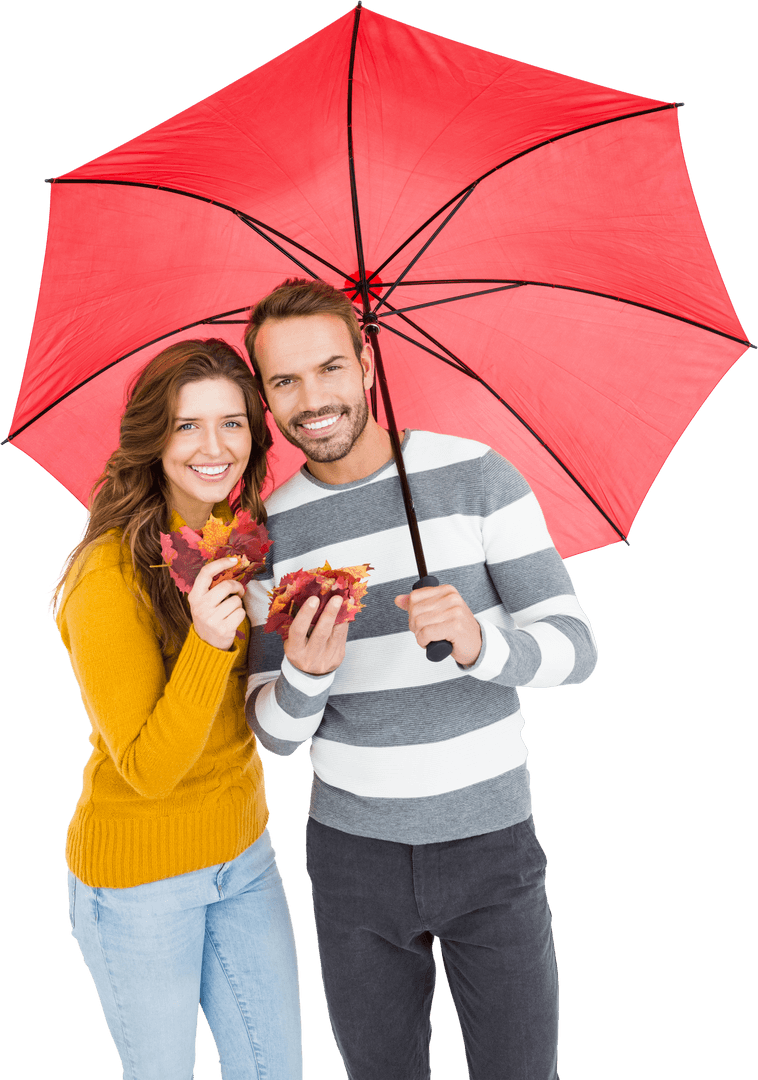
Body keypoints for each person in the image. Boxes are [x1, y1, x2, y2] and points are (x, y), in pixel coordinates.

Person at [243, 279, 599, 1080]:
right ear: (264, 396)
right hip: (352, 861)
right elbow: (274, 736)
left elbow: (577, 647)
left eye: (331, 367)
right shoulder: (269, 534)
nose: (313, 399)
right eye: (285, 381)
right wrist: (305, 674)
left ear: (366, 362)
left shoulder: (476, 474)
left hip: (493, 846)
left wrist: (481, 643)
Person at [51, 339, 303, 1080]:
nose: (213, 446)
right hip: (140, 880)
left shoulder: (242, 542)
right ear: (151, 438)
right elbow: (150, 769)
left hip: (245, 857)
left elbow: (252, 709)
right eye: (187, 425)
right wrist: (207, 640)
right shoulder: (105, 578)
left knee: (275, 1070)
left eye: (233, 423)